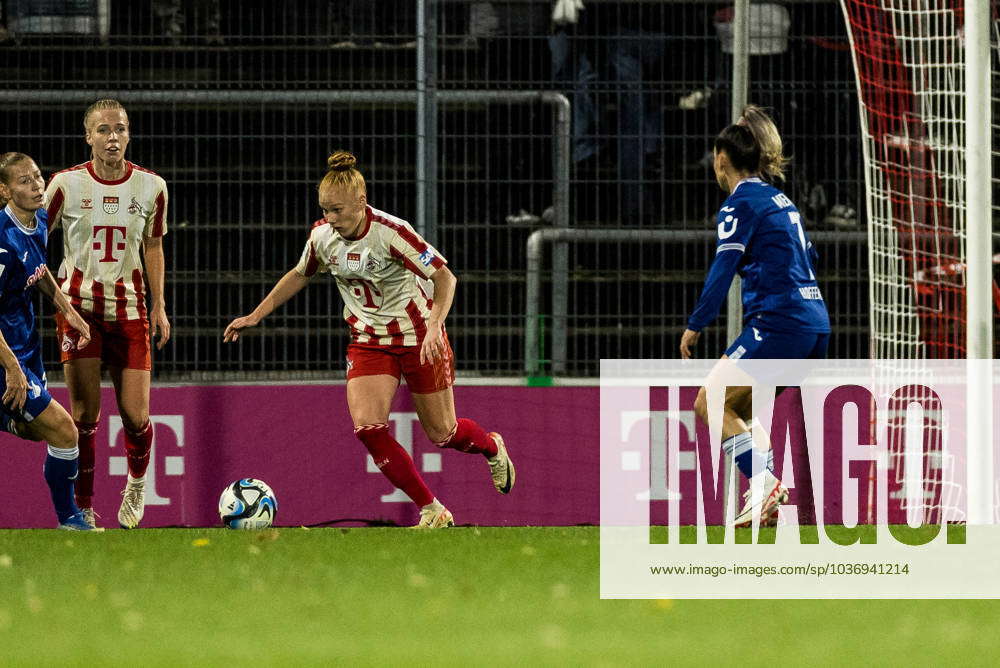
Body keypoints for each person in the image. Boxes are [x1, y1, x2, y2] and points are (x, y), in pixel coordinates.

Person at [224, 151, 515, 528]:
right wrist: (255, 315)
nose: (331, 218)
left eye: (338, 211)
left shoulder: (392, 233)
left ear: (361, 202)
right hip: (368, 341)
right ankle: (432, 510)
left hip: (417, 337)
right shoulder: (322, 237)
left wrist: (433, 326)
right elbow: (300, 274)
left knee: (444, 433)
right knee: (368, 428)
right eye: (325, 210)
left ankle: (492, 447)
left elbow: (445, 278)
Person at [679, 105, 830, 527]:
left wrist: (696, 324)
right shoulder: (781, 200)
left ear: (721, 159)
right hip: (814, 324)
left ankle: (764, 483)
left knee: (709, 401)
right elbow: (810, 256)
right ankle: (766, 488)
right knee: (737, 408)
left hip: (780, 322)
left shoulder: (739, 204)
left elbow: (722, 268)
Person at [44, 99, 171, 530]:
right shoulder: (64, 185)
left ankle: (136, 485)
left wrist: (159, 305)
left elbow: (153, 247)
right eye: (103, 130)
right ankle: (83, 509)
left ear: (129, 134)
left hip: (131, 310)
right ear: (88, 137)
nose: (112, 137)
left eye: (119, 129)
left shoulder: (152, 187)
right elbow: (33, 236)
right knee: (83, 418)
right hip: (77, 311)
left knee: (136, 416)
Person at [0, 152, 100, 531]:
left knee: (30, 430)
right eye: (24, 181)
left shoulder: (38, 220)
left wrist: (70, 313)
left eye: (38, 177)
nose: (37, 185)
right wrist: (11, 367)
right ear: (4, 190)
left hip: (25, 349)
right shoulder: (2, 242)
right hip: (6, 357)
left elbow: (40, 272)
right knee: (64, 431)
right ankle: (71, 519)